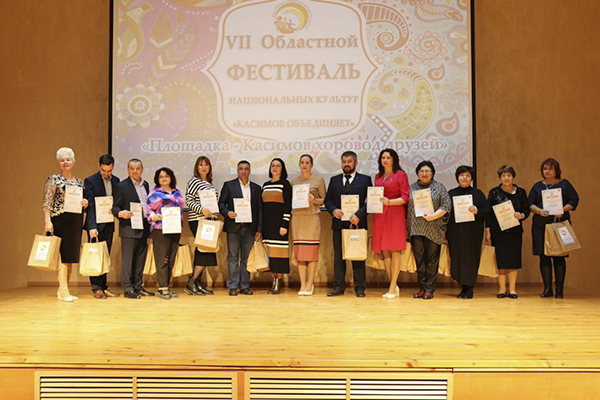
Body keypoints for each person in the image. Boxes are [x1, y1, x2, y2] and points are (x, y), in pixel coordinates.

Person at [528, 158, 579, 298]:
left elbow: (574, 200)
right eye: (545, 169)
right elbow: (530, 204)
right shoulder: (537, 186)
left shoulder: (565, 184)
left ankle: (560, 289)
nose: (547, 171)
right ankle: (547, 288)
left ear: (556, 170)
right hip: (540, 226)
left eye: (550, 169)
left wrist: (563, 209)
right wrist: (539, 211)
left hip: (559, 224)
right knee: (543, 256)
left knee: (559, 257)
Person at [43, 147, 89, 302]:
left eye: (68, 159)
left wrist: (85, 202)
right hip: (60, 220)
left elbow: (82, 201)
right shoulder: (54, 179)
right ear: (59, 163)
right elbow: (47, 202)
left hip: (75, 221)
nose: (65, 162)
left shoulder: (79, 182)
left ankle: (63, 289)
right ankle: (63, 290)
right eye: (62, 160)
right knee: (62, 257)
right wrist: (47, 221)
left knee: (70, 257)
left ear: (73, 161)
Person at [324, 151, 372, 297]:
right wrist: (333, 210)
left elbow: (370, 201)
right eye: (344, 161)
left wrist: (359, 215)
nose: (346, 164)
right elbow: (328, 201)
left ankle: (360, 287)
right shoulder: (334, 180)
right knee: (338, 257)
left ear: (356, 163)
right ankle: (339, 287)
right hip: (339, 224)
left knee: (358, 256)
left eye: (349, 161)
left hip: (357, 224)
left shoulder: (365, 179)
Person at [407, 161, 451, 300]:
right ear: (417, 173)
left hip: (433, 228)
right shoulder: (412, 188)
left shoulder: (439, 187)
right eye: (421, 171)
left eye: (427, 171)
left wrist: (433, 216)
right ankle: (422, 288)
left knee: (431, 260)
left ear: (432, 173)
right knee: (419, 261)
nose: (424, 174)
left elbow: (446, 206)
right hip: (416, 229)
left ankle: (429, 289)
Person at [485, 165, 530, 299]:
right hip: (498, 231)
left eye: (509, 175)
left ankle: (512, 289)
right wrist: (487, 230)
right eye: (503, 176)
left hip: (515, 231)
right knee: (501, 260)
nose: (506, 178)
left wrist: (522, 215)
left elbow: (527, 209)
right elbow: (488, 213)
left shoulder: (521, 192)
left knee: (513, 259)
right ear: (500, 177)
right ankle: (501, 289)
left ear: (513, 177)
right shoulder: (494, 192)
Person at [219, 160, 262, 296]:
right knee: (233, 257)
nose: (243, 171)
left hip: (250, 228)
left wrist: (259, 229)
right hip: (234, 227)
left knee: (246, 259)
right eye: (241, 169)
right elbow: (221, 204)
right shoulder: (229, 185)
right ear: (237, 171)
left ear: (250, 171)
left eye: (246, 169)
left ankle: (244, 286)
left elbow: (259, 210)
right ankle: (232, 286)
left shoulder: (256, 188)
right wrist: (227, 213)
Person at [446, 165, 491, 299]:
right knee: (456, 258)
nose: (464, 178)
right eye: (462, 175)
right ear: (457, 177)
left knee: (471, 258)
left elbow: (487, 211)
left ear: (471, 178)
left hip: (472, 232)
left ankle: (468, 288)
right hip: (455, 232)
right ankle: (462, 284)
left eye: (467, 176)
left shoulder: (477, 193)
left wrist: (477, 211)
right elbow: (445, 212)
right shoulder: (451, 193)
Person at [112, 158, 154, 299]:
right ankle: (128, 288)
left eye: (137, 168)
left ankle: (138, 286)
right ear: (128, 170)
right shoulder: (121, 186)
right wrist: (120, 213)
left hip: (143, 226)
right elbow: (115, 207)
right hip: (129, 227)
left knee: (140, 260)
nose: (135, 171)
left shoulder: (146, 185)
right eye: (132, 168)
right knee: (128, 260)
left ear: (142, 170)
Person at [371, 148, 410, 299]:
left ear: (394, 159)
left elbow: (405, 197)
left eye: (388, 157)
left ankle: (393, 287)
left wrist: (390, 202)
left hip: (395, 213)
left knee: (395, 250)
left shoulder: (401, 174)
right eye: (383, 158)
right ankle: (393, 285)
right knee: (385, 250)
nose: (385, 160)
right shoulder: (378, 176)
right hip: (380, 214)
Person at [83, 154, 120, 299]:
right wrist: (91, 227)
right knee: (95, 255)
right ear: (99, 166)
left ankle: (104, 286)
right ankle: (96, 288)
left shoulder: (116, 180)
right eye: (104, 170)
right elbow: (90, 206)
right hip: (96, 225)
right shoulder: (90, 181)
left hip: (109, 223)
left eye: (109, 171)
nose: (106, 174)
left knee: (105, 255)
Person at [145, 167, 185, 300]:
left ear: (171, 178)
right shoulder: (154, 193)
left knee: (171, 259)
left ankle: (166, 286)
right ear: (157, 179)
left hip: (175, 228)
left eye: (166, 176)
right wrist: (153, 217)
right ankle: (162, 289)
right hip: (160, 229)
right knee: (162, 259)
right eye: (161, 177)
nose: (164, 179)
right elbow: (148, 209)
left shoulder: (177, 192)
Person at [291, 154, 326, 296]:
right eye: (302, 162)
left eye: (307, 163)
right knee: (300, 254)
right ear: (299, 165)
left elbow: (324, 200)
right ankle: (303, 284)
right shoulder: (294, 182)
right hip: (297, 219)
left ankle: (310, 284)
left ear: (312, 165)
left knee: (311, 253)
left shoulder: (318, 180)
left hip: (312, 219)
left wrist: (314, 200)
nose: (304, 165)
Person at [185, 156, 219, 296]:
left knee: (205, 250)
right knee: (203, 250)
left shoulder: (209, 184)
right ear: (196, 168)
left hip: (209, 221)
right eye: (201, 165)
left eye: (206, 165)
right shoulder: (194, 181)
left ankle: (197, 283)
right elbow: (188, 200)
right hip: (198, 220)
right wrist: (201, 209)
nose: (204, 167)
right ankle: (192, 282)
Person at [261, 158, 292, 294]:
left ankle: (278, 283)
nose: (275, 168)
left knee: (279, 255)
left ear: (282, 169)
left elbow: (288, 205)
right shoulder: (265, 185)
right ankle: (273, 281)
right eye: (273, 165)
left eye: (278, 166)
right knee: (271, 255)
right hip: (267, 225)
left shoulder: (285, 184)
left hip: (280, 225)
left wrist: (285, 224)